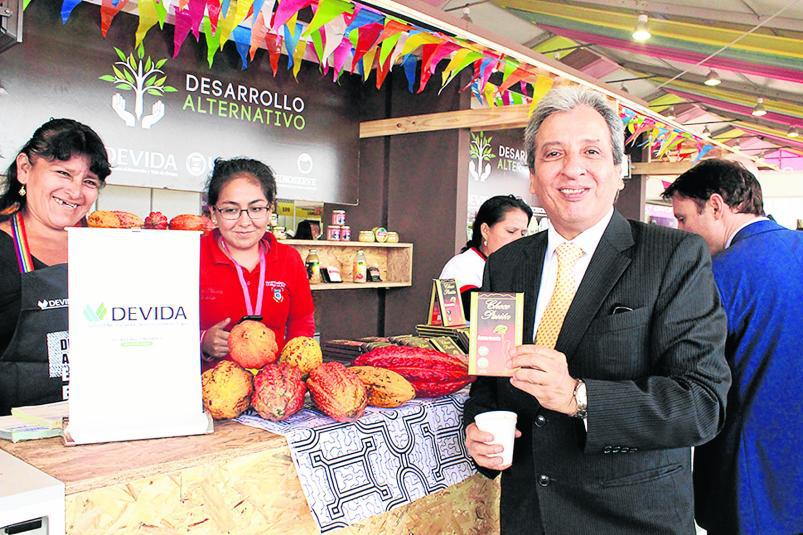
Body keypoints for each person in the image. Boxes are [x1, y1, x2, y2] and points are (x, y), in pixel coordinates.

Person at [462, 86, 731, 534]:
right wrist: (478, 428)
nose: (572, 169)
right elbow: (489, 380)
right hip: (529, 514)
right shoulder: (506, 263)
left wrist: (579, 397)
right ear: (532, 176)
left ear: (618, 170)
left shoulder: (673, 256)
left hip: (630, 519)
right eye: (553, 154)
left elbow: (702, 404)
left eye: (591, 151)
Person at [662, 159, 803, 535]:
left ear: (716, 206)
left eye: (682, 218)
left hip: (748, 469)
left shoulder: (721, 272)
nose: (680, 231)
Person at [0, 118, 111, 415]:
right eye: (63, 173)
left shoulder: (108, 248)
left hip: (95, 422)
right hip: (11, 436)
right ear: (25, 169)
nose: (75, 193)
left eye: (89, 181)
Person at [199, 158, 314, 368]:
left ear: (270, 210)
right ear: (213, 213)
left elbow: (302, 323)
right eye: (230, 210)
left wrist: (291, 370)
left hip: (275, 389)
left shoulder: (289, 259)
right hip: (212, 391)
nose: (245, 222)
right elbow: (163, 329)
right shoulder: (193, 257)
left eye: (256, 209)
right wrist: (201, 340)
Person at [440, 195, 532, 313]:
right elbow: (472, 309)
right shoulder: (461, 265)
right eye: (511, 231)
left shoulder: (519, 268)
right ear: (485, 230)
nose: (519, 240)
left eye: (523, 234)